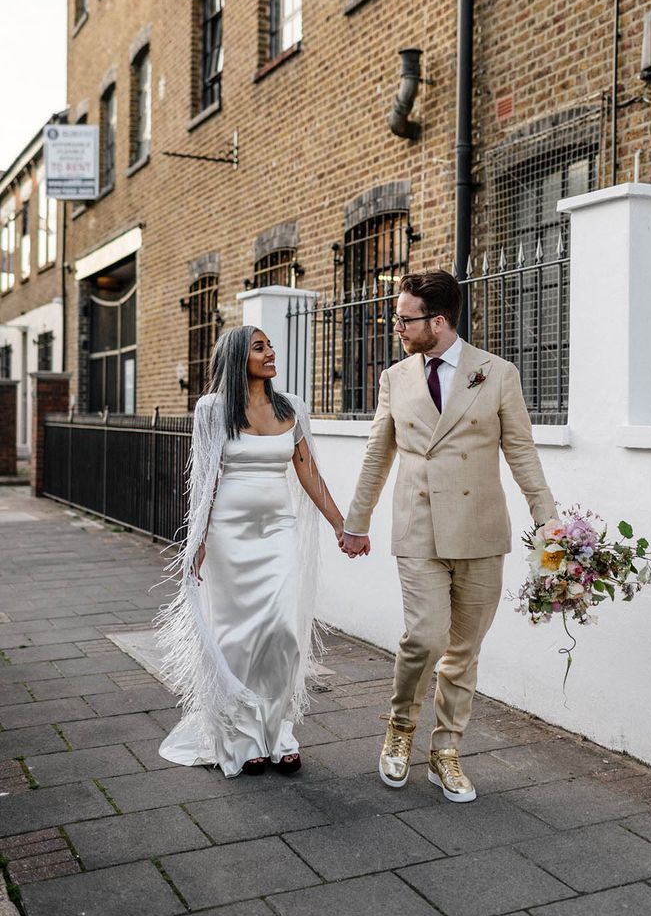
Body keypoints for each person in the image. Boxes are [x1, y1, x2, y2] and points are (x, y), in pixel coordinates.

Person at [340, 269, 556, 802]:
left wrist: (547, 520)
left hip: (481, 529)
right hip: (418, 525)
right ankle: (400, 728)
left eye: (405, 319)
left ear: (438, 321)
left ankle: (446, 751)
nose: (397, 327)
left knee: (464, 649)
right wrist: (356, 520)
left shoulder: (497, 373)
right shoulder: (396, 378)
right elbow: (377, 453)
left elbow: (521, 451)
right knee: (425, 638)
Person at [156, 325, 343, 777]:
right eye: (260, 347)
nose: (271, 352)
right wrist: (197, 543)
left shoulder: (290, 408)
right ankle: (242, 739)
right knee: (238, 640)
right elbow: (205, 480)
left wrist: (343, 525)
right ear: (239, 358)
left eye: (270, 345)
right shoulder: (213, 409)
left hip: (278, 532)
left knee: (282, 635)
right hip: (228, 537)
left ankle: (279, 732)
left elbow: (308, 473)